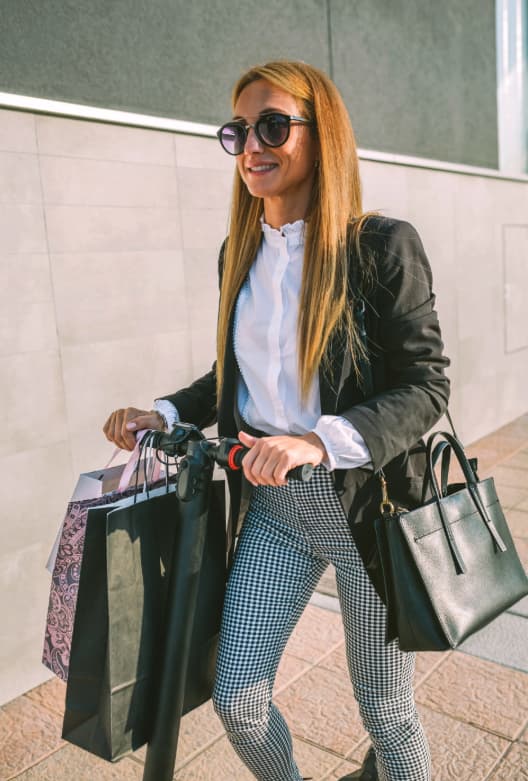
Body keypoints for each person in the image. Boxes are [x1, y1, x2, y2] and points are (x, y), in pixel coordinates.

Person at [103, 60, 449, 781]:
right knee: (238, 699)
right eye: (238, 131)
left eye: (272, 125)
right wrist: (162, 411)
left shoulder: (380, 246)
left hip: (365, 510)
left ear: (321, 136)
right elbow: (231, 377)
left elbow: (426, 386)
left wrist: (317, 441)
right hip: (276, 509)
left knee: (385, 710)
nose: (252, 145)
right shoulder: (240, 254)